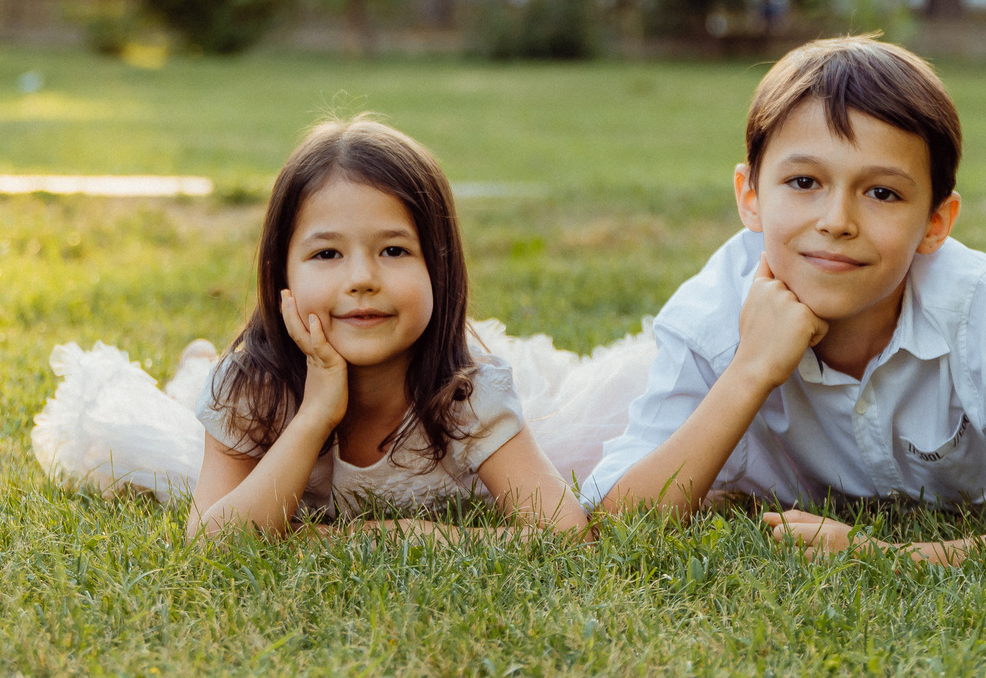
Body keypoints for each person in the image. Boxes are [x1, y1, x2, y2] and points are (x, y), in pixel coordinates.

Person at [584, 35, 986, 563]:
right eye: (804, 182)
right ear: (750, 196)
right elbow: (618, 522)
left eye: (881, 193)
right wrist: (751, 370)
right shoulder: (708, 314)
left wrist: (899, 559)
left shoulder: (975, 301)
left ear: (934, 222)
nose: (837, 222)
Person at [32, 115, 616, 538]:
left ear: (440, 266)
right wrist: (316, 414)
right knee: (185, 413)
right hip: (260, 404)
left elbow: (564, 533)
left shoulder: (465, 392)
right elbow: (211, 545)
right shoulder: (249, 390)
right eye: (327, 255)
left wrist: (397, 535)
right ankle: (195, 364)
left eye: (393, 251)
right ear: (279, 272)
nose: (362, 279)